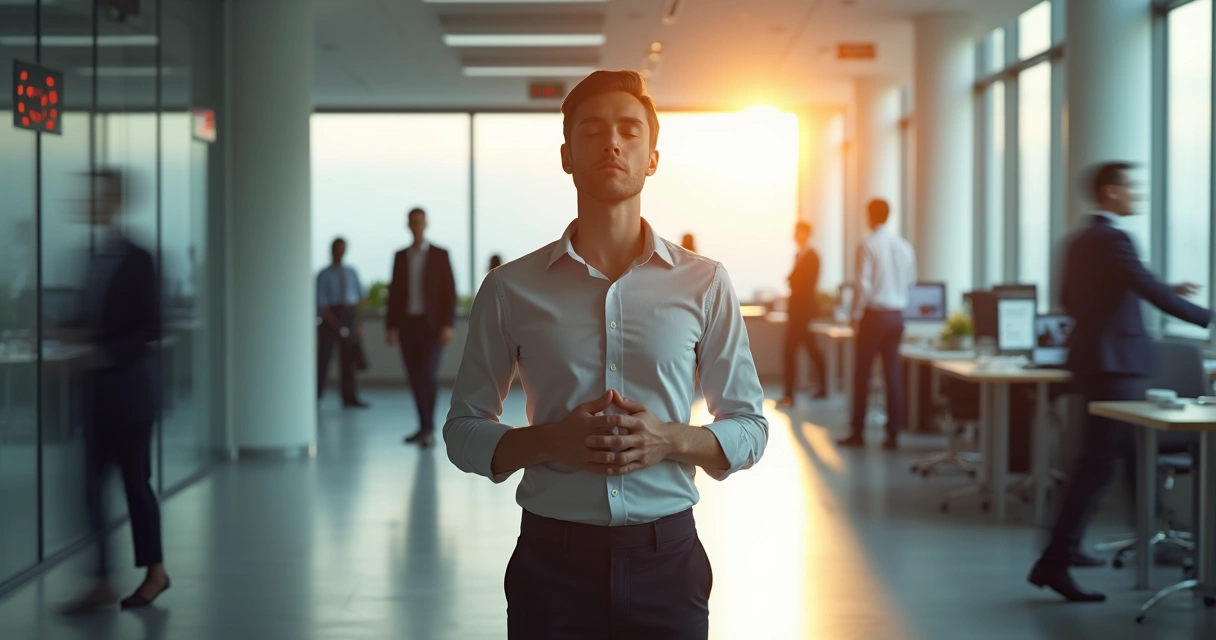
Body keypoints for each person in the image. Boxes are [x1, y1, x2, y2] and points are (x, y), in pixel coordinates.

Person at [443, 70, 768, 639]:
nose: (611, 143)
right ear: (566, 156)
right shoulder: (510, 288)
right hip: (551, 563)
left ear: (652, 158)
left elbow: (750, 426)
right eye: (592, 131)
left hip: (668, 559)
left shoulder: (705, 283)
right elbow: (463, 432)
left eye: (628, 130)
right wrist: (551, 442)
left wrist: (671, 439)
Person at [1028, 162, 1211, 602]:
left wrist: (1156, 288)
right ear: (1110, 193)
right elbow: (1146, 289)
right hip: (1115, 366)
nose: (1138, 195)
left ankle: (1120, 541)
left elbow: (1077, 297)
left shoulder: (1078, 240)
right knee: (1097, 465)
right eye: (1131, 188)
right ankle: (1054, 559)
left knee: (1122, 459)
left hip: (1098, 360)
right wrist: (1208, 318)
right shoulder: (1115, 239)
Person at [61, 169, 170, 614]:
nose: (91, 202)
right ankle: (102, 578)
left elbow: (150, 329)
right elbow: (93, 322)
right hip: (98, 395)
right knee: (88, 486)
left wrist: (99, 352)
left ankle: (155, 572)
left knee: (135, 486)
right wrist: (64, 334)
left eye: (99, 196)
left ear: (116, 201)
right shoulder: (90, 257)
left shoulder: (139, 258)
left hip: (130, 394)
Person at [840, 198, 916, 450]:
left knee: (862, 374)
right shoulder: (904, 246)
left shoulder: (868, 245)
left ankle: (857, 432)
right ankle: (893, 434)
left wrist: (854, 316)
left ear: (869, 216)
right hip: (897, 317)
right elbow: (910, 282)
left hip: (874, 317)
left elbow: (863, 286)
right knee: (893, 375)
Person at [386, 207, 456, 448]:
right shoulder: (400, 256)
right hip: (408, 325)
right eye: (412, 221)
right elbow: (394, 293)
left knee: (427, 374)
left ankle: (428, 428)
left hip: (432, 326)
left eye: (419, 221)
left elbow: (450, 292)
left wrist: (448, 324)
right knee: (415, 377)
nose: (416, 225)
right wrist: (390, 327)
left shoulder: (439, 254)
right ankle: (423, 426)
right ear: (408, 224)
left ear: (426, 224)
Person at [777, 220, 827, 406]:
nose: (794, 235)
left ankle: (790, 395)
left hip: (803, 313)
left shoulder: (812, 256)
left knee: (790, 351)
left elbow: (807, 285)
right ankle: (821, 388)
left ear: (806, 233)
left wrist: (794, 282)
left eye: (797, 232)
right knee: (812, 350)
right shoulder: (799, 255)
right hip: (798, 312)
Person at [316, 237, 368, 409]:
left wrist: (357, 323)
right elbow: (322, 304)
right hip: (330, 318)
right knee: (323, 359)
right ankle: (316, 397)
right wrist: (337, 326)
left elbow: (361, 298)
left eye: (342, 248)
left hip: (349, 315)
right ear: (332, 250)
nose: (340, 251)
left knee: (348, 361)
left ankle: (350, 398)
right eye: (337, 248)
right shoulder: (323, 274)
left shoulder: (352, 272)